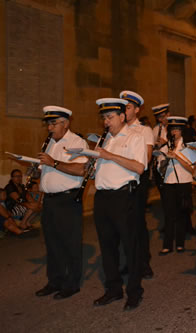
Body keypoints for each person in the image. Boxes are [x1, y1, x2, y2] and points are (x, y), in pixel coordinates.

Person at [93, 97, 147, 311]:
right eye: (104, 118)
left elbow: (139, 167)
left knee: (130, 247)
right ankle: (113, 289)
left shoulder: (135, 137)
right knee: (107, 248)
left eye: (110, 117)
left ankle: (134, 292)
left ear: (122, 116)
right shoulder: (103, 140)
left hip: (124, 197)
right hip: (103, 198)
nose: (106, 122)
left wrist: (109, 155)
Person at [34, 106, 88, 299]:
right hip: (50, 200)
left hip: (67, 199)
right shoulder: (48, 142)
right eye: (48, 124)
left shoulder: (77, 142)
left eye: (53, 123)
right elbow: (45, 169)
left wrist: (54, 163)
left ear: (65, 123)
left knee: (70, 243)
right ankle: (54, 280)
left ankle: (72, 283)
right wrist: (37, 170)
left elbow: (81, 170)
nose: (49, 128)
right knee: (52, 243)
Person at [120, 90, 155, 280]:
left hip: (138, 181)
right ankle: (130, 261)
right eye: (123, 107)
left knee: (138, 223)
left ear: (137, 110)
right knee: (125, 225)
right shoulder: (117, 131)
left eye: (128, 107)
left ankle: (144, 262)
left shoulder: (144, 130)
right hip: (121, 181)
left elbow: (147, 158)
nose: (124, 111)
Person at [157, 116, 194, 255]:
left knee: (181, 214)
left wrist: (177, 157)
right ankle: (167, 245)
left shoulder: (188, 147)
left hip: (183, 182)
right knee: (168, 214)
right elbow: (160, 170)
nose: (174, 132)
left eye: (177, 129)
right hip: (168, 183)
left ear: (182, 131)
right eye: (172, 129)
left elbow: (192, 169)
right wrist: (165, 159)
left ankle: (180, 243)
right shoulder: (165, 147)